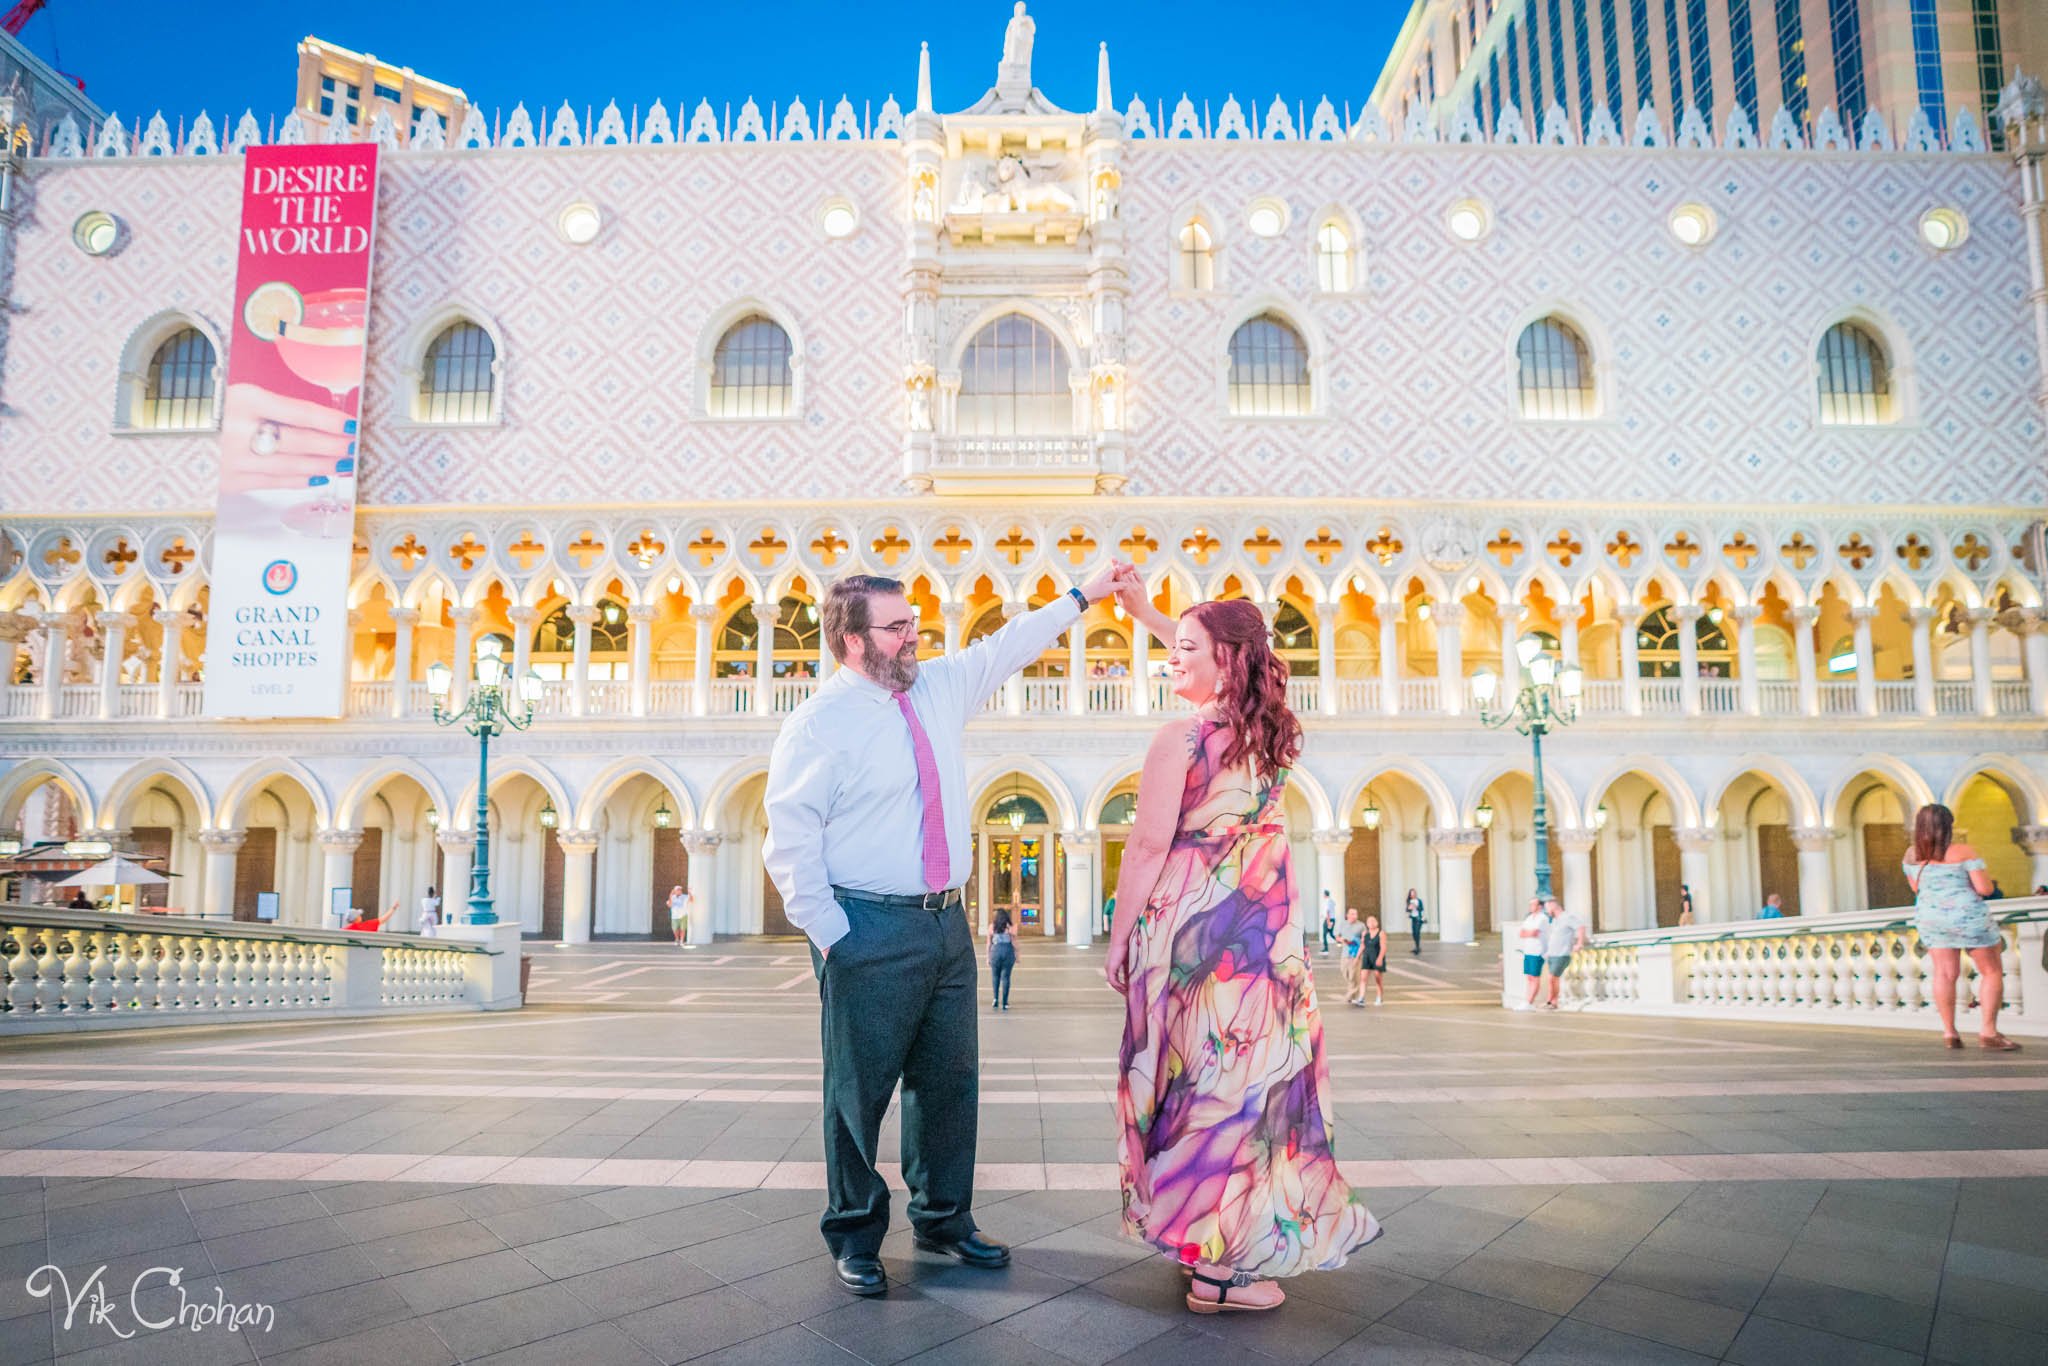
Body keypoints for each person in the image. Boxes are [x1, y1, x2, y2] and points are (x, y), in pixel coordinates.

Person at [764, 561, 1138, 1297]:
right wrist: (834, 933)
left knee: (949, 1084)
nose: (913, 639)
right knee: (858, 1091)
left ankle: (942, 1217)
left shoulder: (934, 687)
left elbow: (1008, 644)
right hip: (867, 924)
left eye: (915, 626)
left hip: (945, 926)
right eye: (897, 628)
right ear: (850, 640)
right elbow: (790, 837)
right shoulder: (817, 724)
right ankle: (856, 1231)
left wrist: (1083, 595)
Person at [1104, 590, 1378, 1316]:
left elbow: (1148, 845)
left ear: (1225, 661)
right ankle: (1214, 1248)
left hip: (1193, 938)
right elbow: (1236, 654)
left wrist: (1122, 932)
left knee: (1200, 1086)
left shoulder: (1181, 739)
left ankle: (1213, 1266)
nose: (1171, 657)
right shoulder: (1276, 736)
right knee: (1245, 1092)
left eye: (1185, 649)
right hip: (1264, 943)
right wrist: (1152, 617)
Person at [1903, 803, 2019, 1051]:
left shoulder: (1912, 855)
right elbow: (1985, 889)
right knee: (1990, 971)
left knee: (1944, 974)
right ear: (1948, 826)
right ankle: (1988, 1032)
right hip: (1967, 917)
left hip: (1931, 918)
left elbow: (1916, 888)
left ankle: (1950, 1033)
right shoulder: (1963, 851)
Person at [1542, 897, 1586, 1009]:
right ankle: (1550, 1000)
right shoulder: (1555, 920)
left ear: (1553, 906)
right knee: (1551, 979)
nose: (1547, 911)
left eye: (1547, 908)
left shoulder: (1567, 917)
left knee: (1553, 978)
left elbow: (1580, 927)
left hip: (1562, 953)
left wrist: (1579, 943)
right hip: (1552, 953)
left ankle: (1553, 1002)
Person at [1514, 898, 1549, 1010]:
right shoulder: (1529, 918)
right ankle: (1527, 1001)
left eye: (1533, 904)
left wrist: (1529, 933)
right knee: (1529, 977)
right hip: (1528, 950)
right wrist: (1529, 933)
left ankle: (1530, 1002)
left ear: (1539, 906)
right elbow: (1522, 933)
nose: (1531, 907)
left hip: (1537, 951)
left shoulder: (1542, 918)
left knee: (1534, 977)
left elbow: (1535, 932)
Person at [988, 909, 1016, 1010]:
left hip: (995, 952)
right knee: (1006, 977)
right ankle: (1005, 1002)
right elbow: (1014, 942)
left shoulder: (992, 927)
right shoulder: (1010, 927)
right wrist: (1017, 954)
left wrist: (988, 957)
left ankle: (995, 999)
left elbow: (989, 943)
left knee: (995, 977)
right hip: (1007, 952)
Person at [1356, 914, 1387, 1007]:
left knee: (1378, 978)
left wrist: (1380, 958)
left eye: (1373, 921)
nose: (1372, 923)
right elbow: (1362, 945)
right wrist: (1357, 957)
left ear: (1377, 923)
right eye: (1369, 921)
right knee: (1363, 978)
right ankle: (1361, 997)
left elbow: (1383, 947)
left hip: (1377, 956)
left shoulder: (1381, 933)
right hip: (1367, 956)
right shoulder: (1365, 933)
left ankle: (1379, 997)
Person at [1339, 907, 1364, 1003]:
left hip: (1355, 953)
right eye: (1352, 914)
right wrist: (1341, 940)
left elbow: (1364, 939)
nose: (1354, 916)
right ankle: (1351, 993)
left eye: (1356, 914)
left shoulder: (1361, 925)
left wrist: (1359, 954)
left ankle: (1350, 995)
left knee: (1354, 975)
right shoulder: (1343, 924)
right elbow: (1338, 936)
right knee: (1345, 972)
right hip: (1345, 953)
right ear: (1347, 915)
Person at [1405, 888, 1425, 954]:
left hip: (1418, 918)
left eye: (1414, 893)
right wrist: (1409, 908)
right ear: (1410, 894)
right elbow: (1407, 910)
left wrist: (1416, 906)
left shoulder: (1419, 901)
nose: (1413, 894)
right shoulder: (1409, 901)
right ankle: (1416, 947)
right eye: (1412, 893)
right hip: (1413, 918)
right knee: (1414, 933)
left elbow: (1421, 909)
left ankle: (1417, 948)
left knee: (1417, 933)